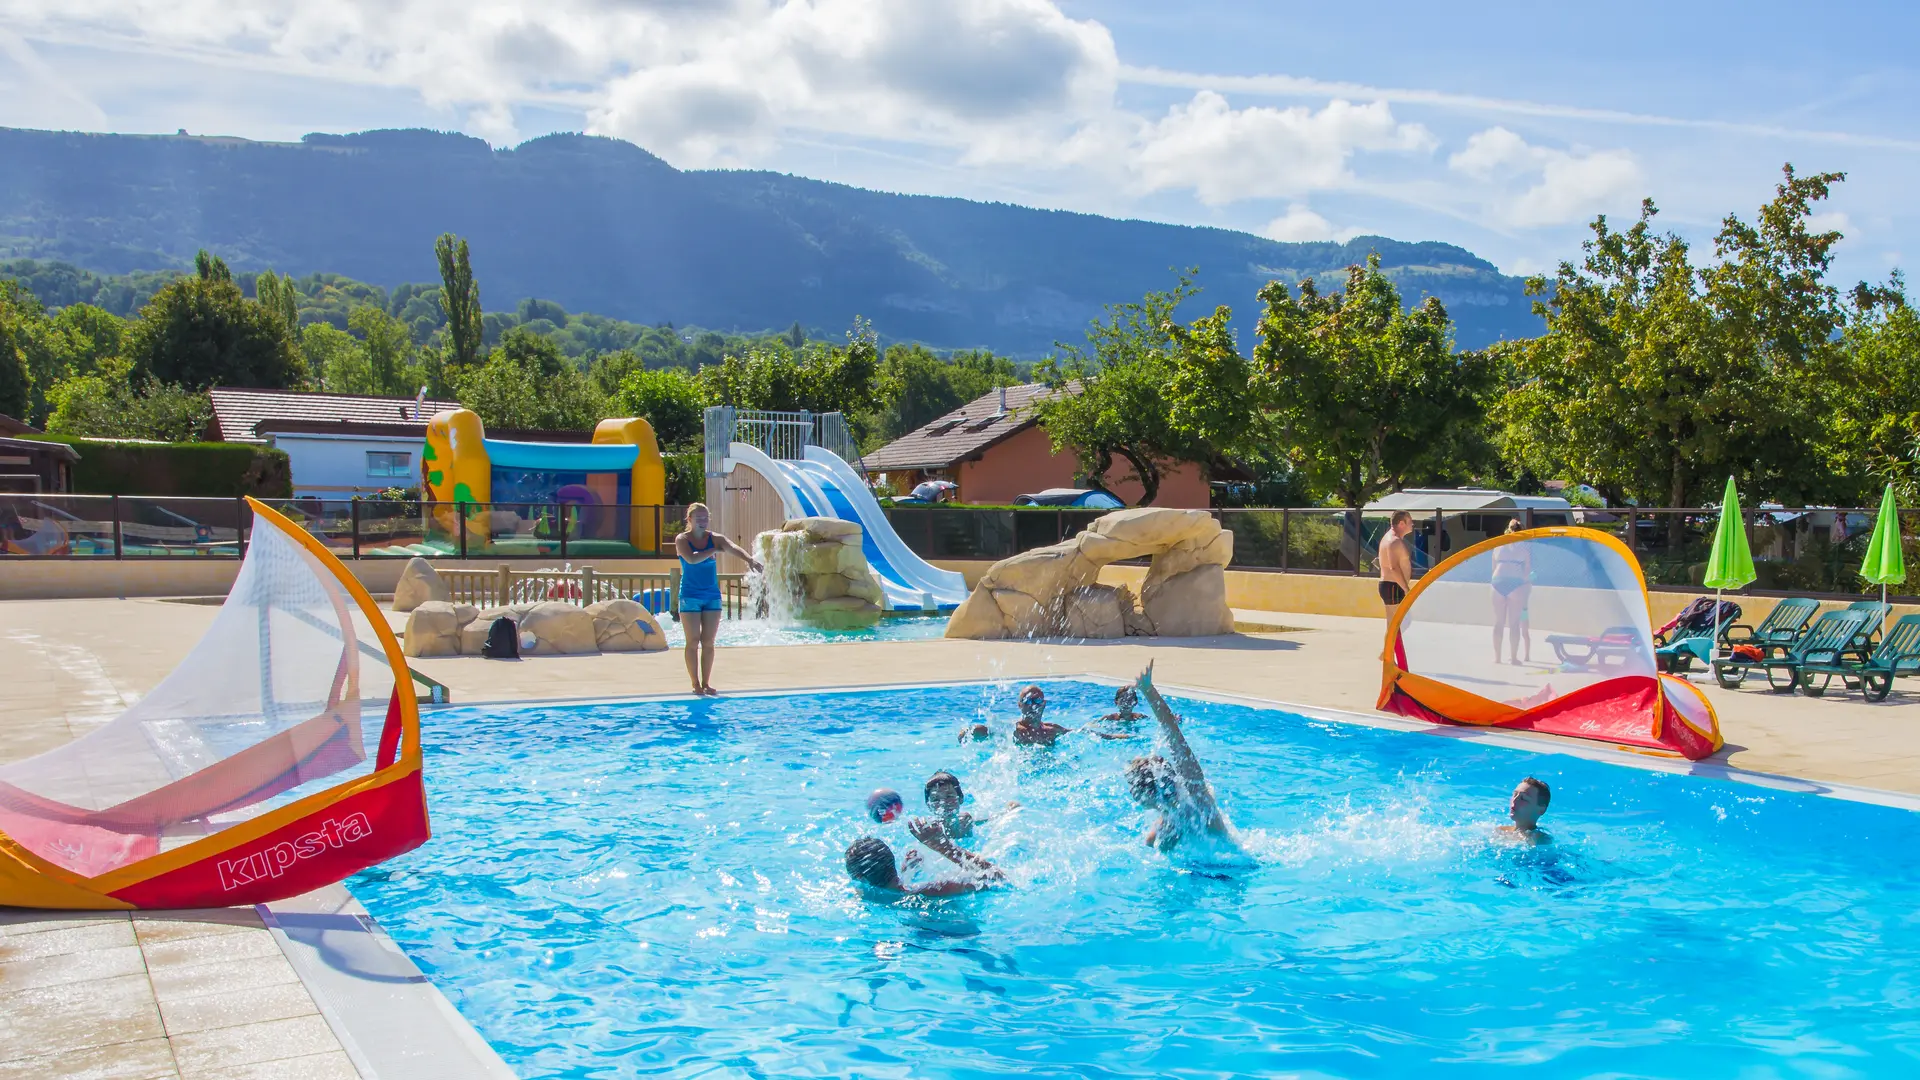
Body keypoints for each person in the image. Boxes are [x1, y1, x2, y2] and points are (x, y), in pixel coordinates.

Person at [1124, 662, 1236, 852]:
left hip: (1230, 874)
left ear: (1148, 792)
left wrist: (1149, 692)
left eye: (1132, 785)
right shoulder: (1166, 819)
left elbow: (1174, 735)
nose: (1131, 792)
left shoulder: (1197, 799)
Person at [675, 502, 762, 695]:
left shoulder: (714, 539)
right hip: (690, 596)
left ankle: (706, 682)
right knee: (692, 640)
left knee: (708, 641)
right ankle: (695, 683)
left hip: (712, 596)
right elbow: (691, 559)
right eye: (699, 518)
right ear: (689, 520)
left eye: (705, 518)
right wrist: (713, 550)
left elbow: (732, 547)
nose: (703, 522)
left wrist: (749, 560)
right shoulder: (682, 539)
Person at [844, 819, 1005, 897]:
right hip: (956, 939)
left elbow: (892, 891)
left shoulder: (864, 898)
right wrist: (944, 847)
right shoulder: (935, 889)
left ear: (860, 878)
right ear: (891, 861)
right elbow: (999, 881)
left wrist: (907, 873)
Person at [1489, 519, 1533, 665]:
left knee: (1498, 622)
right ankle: (1513, 658)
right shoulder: (1524, 548)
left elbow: (1493, 568)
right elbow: (1526, 572)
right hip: (1515, 583)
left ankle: (1497, 658)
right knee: (1514, 624)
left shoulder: (1498, 545)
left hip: (1497, 583)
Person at [1496, 777, 1552, 846]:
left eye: (1523, 798)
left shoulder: (1541, 841)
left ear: (1541, 809)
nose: (1515, 800)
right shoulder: (1500, 831)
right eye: (1515, 794)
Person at [1378, 510, 1414, 614]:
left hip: (1394, 586)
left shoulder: (1391, 539)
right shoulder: (1394, 541)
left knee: (1396, 625)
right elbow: (1393, 568)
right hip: (1394, 586)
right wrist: (1406, 589)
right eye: (1410, 521)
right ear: (1402, 523)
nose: (1412, 524)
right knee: (1396, 625)